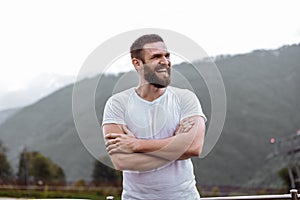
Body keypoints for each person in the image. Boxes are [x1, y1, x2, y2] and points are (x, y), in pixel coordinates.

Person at [102, 34, 206, 200]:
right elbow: (121, 161)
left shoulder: (186, 99)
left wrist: (137, 144)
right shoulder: (117, 104)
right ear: (137, 63)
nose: (165, 61)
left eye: (167, 55)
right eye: (156, 57)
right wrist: (177, 144)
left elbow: (194, 147)